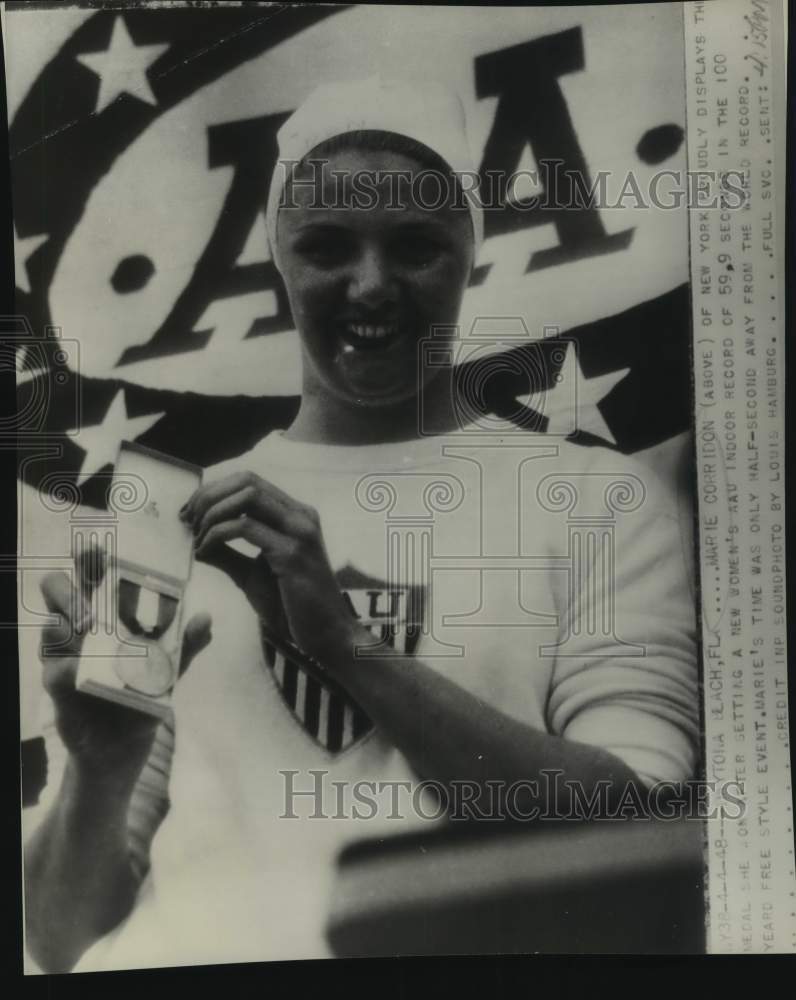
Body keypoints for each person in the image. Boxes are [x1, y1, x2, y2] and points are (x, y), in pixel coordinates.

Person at [24, 77, 698, 972]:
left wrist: (347, 646)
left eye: (415, 245)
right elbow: (58, 936)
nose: (370, 285)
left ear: (471, 249)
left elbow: (639, 839)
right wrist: (100, 770)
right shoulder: (177, 521)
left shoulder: (598, 503)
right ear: (278, 258)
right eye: (328, 245)